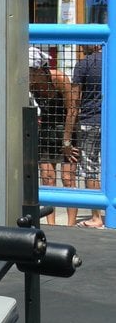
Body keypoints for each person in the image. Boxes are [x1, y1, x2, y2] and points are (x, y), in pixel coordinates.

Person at [28, 47, 76, 226]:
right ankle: (51, 224)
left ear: (40, 69)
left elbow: (73, 109)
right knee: (47, 177)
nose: (29, 75)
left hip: (67, 127)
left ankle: (71, 226)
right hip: (47, 127)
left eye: (31, 71)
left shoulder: (59, 78)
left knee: (68, 178)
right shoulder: (28, 83)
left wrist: (67, 140)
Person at [65, 45, 103, 228]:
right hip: (109, 121)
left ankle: (97, 216)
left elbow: (74, 105)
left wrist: (66, 138)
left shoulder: (82, 65)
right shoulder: (110, 62)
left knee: (91, 168)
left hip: (89, 121)